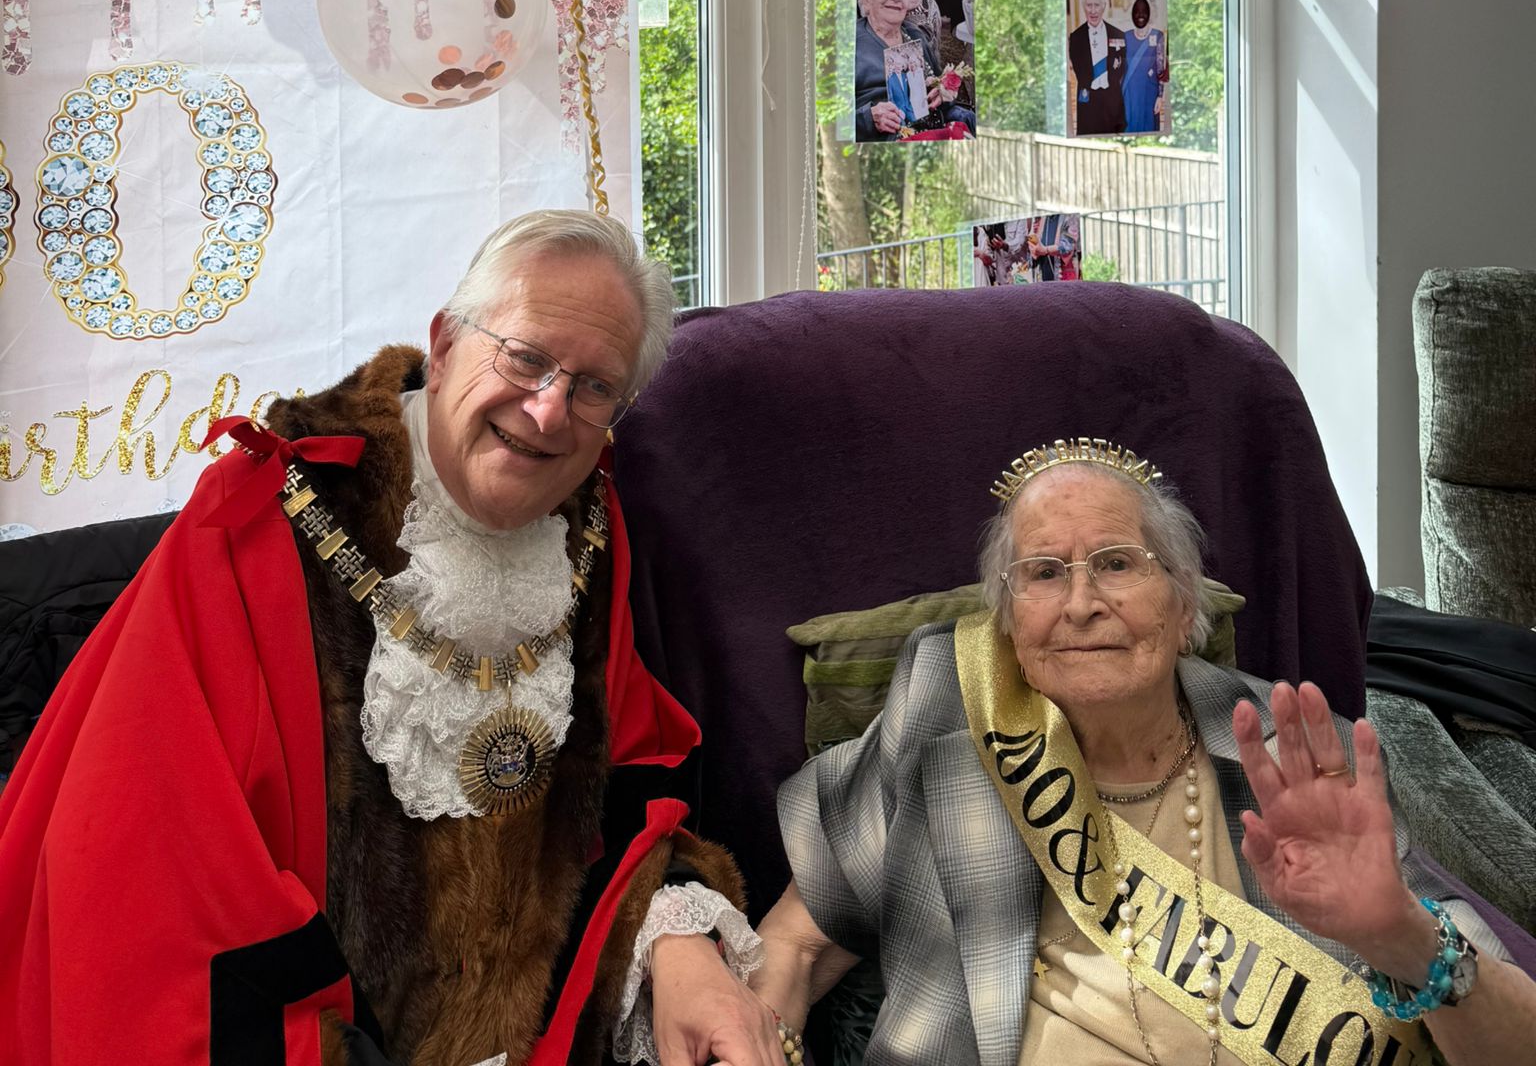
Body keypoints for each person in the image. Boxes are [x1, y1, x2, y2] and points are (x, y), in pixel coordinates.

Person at [0, 211, 778, 1066]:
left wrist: (678, 939)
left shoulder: (590, 528)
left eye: (595, 387)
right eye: (524, 357)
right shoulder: (260, 521)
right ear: (444, 347)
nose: (548, 409)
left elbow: (625, 776)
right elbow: (155, 875)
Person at [753, 437, 1536, 1064]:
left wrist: (1400, 935)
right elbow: (796, 946)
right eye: (1044, 573)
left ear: (1185, 602)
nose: (1081, 604)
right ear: (1008, 622)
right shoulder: (947, 720)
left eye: (1117, 564)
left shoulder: (1290, 750)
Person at [854, 0, 974, 141]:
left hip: (931, 130)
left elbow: (939, 99)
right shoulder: (851, 44)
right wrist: (867, 118)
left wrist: (943, 94)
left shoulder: (915, 35)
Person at [1068, 0, 1126, 136]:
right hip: (1088, 103)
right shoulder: (1076, 38)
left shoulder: (1118, 34)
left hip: (1112, 103)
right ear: (1083, 6)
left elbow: (1122, 67)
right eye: (1089, 5)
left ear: (1103, 6)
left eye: (1096, 5)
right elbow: (1080, 72)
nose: (1093, 11)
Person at [1123, 0, 1168, 136]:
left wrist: (1160, 96)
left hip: (1150, 93)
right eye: (1137, 12)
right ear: (1132, 15)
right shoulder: (1125, 36)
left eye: (1144, 11)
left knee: (1148, 129)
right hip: (1129, 94)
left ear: (1149, 14)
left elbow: (1161, 69)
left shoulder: (1158, 36)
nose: (1140, 15)